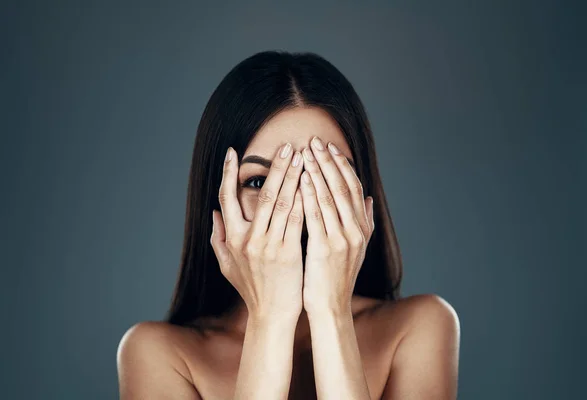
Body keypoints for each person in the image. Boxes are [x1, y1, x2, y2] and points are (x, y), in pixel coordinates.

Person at [116, 50, 460, 400]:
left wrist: (331, 312)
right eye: (259, 182)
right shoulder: (158, 355)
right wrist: (270, 319)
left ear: (360, 193)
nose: (294, 209)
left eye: (322, 179)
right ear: (217, 202)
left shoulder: (420, 328)